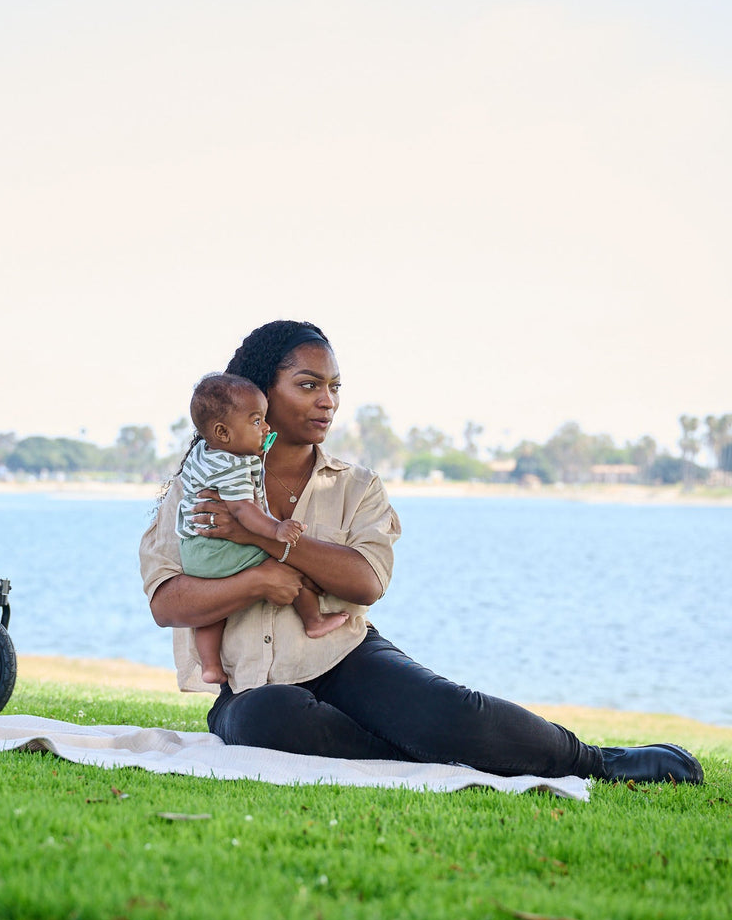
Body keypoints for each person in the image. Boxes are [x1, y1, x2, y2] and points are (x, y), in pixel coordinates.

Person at [140, 319, 704, 784]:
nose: (327, 402)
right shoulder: (197, 485)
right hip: (248, 686)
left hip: (346, 658)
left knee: (449, 712)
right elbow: (169, 601)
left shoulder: (355, 484)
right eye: (309, 385)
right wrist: (259, 582)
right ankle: (419, 757)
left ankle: (597, 762)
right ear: (262, 391)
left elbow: (365, 582)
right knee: (271, 717)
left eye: (335, 387)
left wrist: (265, 539)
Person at [177, 372, 350, 684]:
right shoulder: (233, 467)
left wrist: (253, 452)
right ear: (223, 432)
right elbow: (244, 511)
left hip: (196, 551)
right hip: (220, 549)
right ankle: (313, 620)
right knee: (290, 567)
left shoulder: (206, 454)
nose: (267, 428)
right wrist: (276, 530)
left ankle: (210, 665)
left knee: (211, 613)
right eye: (257, 421)